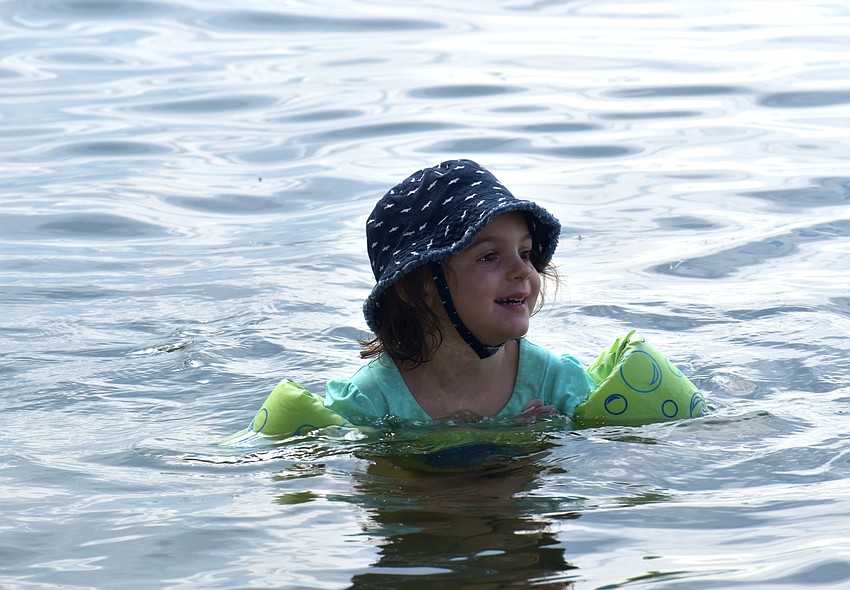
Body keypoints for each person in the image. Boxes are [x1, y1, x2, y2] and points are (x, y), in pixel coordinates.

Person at [324, 159, 595, 424]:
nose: (523, 270)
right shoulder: (370, 402)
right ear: (419, 289)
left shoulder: (558, 385)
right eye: (489, 256)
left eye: (525, 253)